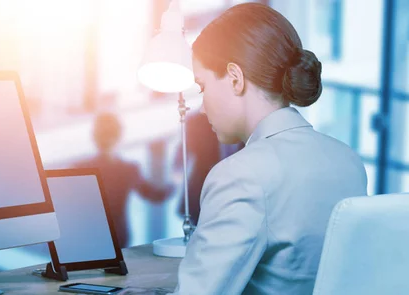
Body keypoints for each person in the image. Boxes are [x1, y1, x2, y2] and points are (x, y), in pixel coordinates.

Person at [171, 3, 367, 295]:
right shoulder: (349, 162)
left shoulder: (239, 176)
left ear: (235, 78)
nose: (202, 106)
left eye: (202, 87)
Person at [74, 112, 171, 248]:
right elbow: (155, 196)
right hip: (118, 235)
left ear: (94, 136)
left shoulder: (79, 168)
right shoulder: (128, 169)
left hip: (88, 234)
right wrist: (176, 180)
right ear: (119, 136)